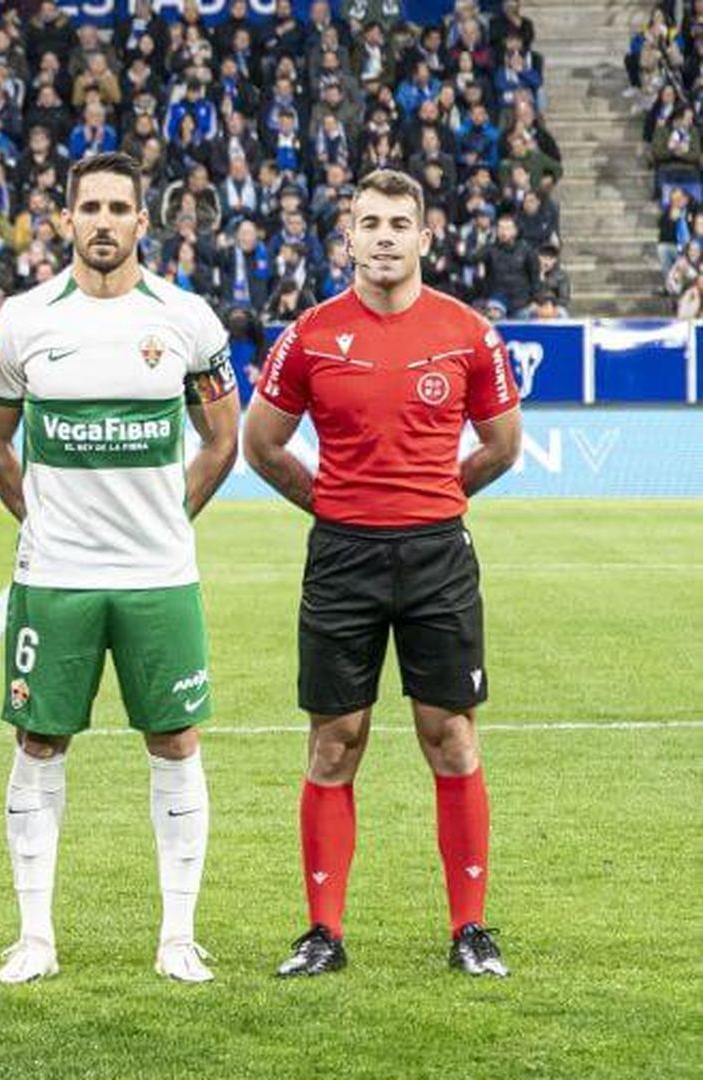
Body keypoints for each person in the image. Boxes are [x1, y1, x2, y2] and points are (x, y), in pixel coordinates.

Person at [242, 168, 523, 979]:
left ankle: (470, 928)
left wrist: (435, 499)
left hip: (437, 557)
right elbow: (262, 446)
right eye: (371, 223)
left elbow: (503, 445)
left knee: (453, 738)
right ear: (349, 238)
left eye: (401, 222)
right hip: (342, 559)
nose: (387, 236)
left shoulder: (468, 332)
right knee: (335, 741)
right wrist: (331, 504)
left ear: (426, 237)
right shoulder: (312, 334)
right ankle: (323, 933)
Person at [0, 152, 242, 986]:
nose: (102, 221)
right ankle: (34, 938)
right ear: (65, 221)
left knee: (175, 738)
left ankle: (178, 937)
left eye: (117, 208)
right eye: (88, 207)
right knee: (40, 740)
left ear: (140, 223)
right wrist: (39, 517)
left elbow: (222, 438)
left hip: (159, 575)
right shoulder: (22, 321)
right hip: (55, 575)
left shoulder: (187, 318)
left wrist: (170, 514)